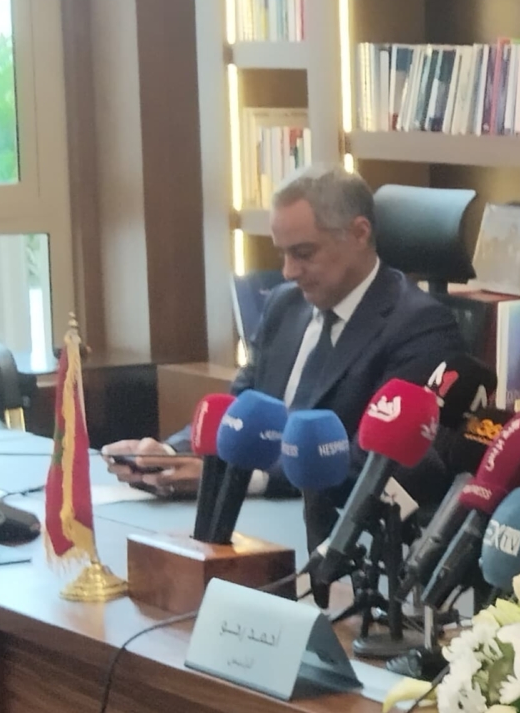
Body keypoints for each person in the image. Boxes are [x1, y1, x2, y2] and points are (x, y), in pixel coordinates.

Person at [106, 169, 469, 497]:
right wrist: (168, 455)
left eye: (303, 253)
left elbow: (376, 462)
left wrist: (248, 480)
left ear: (359, 234)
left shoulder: (420, 325)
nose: (288, 272)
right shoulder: (284, 305)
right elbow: (238, 411)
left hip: (327, 518)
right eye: (282, 254)